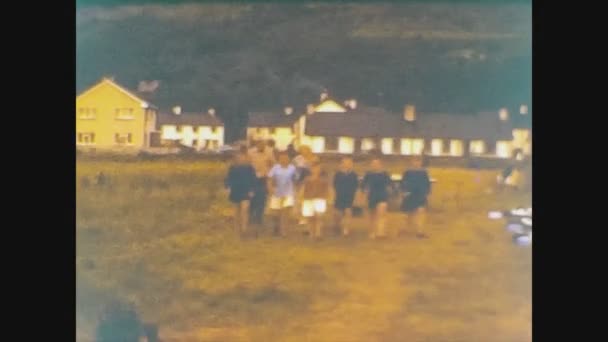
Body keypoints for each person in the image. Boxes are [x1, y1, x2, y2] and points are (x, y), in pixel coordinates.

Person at [224, 152, 257, 237]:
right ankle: (237, 228)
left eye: (242, 158)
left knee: (245, 209)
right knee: (236, 211)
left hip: (246, 191)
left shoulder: (250, 168)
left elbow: (253, 179)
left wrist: (252, 189)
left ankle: (244, 228)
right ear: (236, 159)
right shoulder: (232, 168)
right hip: (235, 190)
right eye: (238, 158)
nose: (241, 159)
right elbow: (228, 179)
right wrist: (228, 188)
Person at [400, 156, 431, 239]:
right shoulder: (407, 172)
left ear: (421, 163)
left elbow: (427, 184)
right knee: (407, 214)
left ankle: (420, 232)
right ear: (412, 162)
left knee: (421, 212)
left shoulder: (424, 173)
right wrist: (404, 192)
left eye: (418, 161)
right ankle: (404, 230)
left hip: (420, 195)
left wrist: (427, 193)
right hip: (409, 195)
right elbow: (402, 183)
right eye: (415, 161)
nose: (416, 163)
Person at [267, 151, 298, 237]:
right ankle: (276, 228)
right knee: (276, 213)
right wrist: (270, 188)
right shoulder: (275, 168)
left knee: (285, 212)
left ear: (289, 159)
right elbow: (269, 179)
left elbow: (296, 179)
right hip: (276, 192)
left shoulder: (292, 168)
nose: (284, 160)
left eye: (286, 158)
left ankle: (284, 231)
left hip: (288, 192)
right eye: (282, 158)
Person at [362, 156, 392, 239]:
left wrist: (389, 190)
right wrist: (365, 191)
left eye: (377, 163)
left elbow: (389, 184)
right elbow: (364, 185)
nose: (375, 165)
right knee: (372, 215)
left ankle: (381, 232)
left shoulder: (385, 174)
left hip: (382, 196)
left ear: (381, 165)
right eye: (373, 164)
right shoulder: (368, 174)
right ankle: (372, 231)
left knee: (381, 213)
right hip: (371, 197)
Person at [248, 141, 276, 225]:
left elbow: (273, 164)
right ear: (256, 145)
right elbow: (248, 163)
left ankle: (259, 217)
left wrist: (270, 174)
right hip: (253, 178)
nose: (261, 146)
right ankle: (251, 215)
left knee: (262, 198)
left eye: (263, 145)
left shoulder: (269, 152)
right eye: (259, 144)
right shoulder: (250, 152)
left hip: (264, 178)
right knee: (252, 197)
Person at [301, 163, 330, 239]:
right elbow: (303, 189)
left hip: (320, 199)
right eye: (314, 168)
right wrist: (302, 198)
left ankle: (318, 233)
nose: (316, 170)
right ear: (311, 169)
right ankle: (311, 233)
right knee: (310, 217)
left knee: (318, 217)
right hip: (308, 199)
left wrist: (327, 198)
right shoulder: (307, 179)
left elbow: (327, 189)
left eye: (317, 168)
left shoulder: (324, 179)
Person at [333, 156, 359, 236]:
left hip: (349, 196)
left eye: (349, 163)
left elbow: (356, 186)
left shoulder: (354, 175)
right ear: (342, 164)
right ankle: (337, 225)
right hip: (339, 196)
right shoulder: (338, 174)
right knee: (338, 213)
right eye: (345, 163)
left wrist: (356, 196)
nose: (347, 165)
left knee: (348, 212)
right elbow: (334, 185)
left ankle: (346, 229)